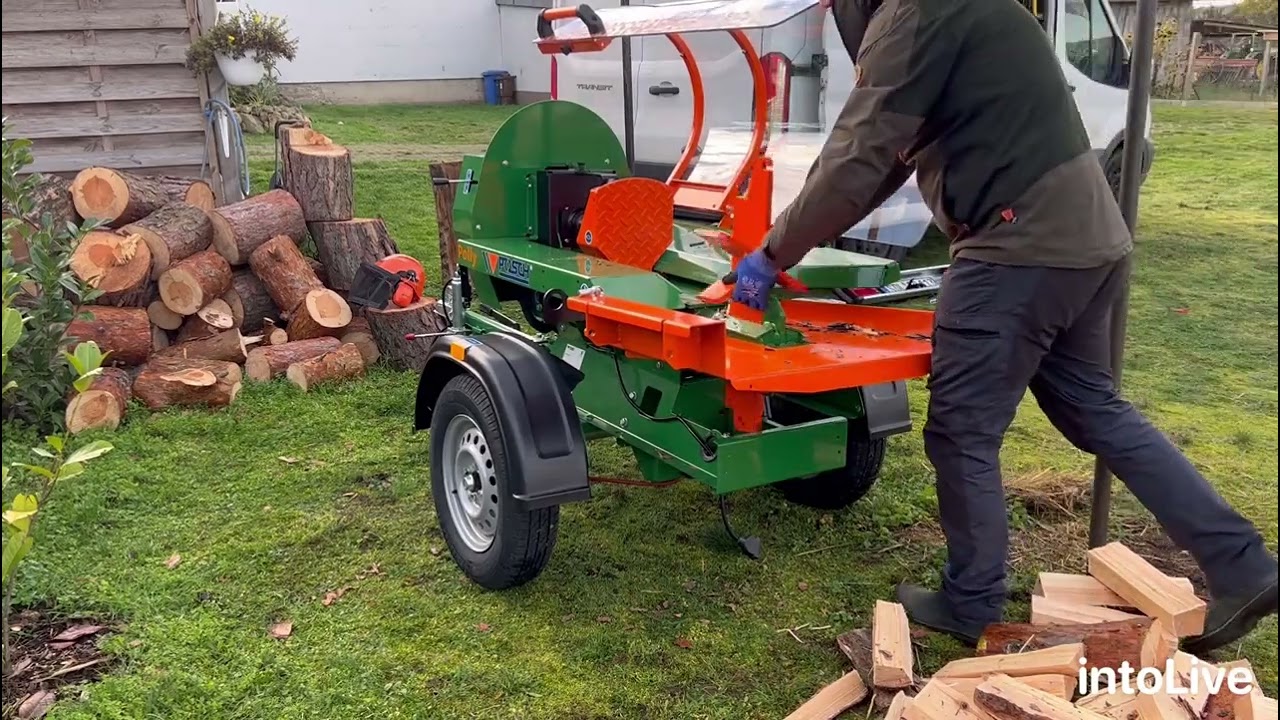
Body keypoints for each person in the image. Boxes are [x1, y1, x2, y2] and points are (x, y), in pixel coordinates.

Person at [731, 0, 1278, 653]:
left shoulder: (916, 14)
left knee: (963, 430)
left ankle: (970, 602)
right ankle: (1242, 564)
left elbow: (858, 154)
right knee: (1097, 411)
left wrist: (769, 256)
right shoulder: (974, 9)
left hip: (1016, 248)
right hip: (1090, 240)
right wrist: (793, 243)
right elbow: (888, 158)